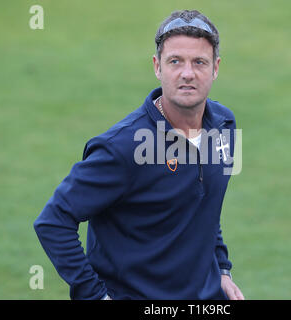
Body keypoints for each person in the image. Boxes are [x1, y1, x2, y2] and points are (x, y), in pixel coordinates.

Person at [34, 9, 244, 300]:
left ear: (215, 68)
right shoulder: (122, 147)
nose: (187, 73)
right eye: (175, 61)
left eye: (199, 62)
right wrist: (95, 296)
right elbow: (53, 221)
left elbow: (204, 203)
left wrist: (222, 268)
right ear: (157, 67)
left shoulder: (224, 126)